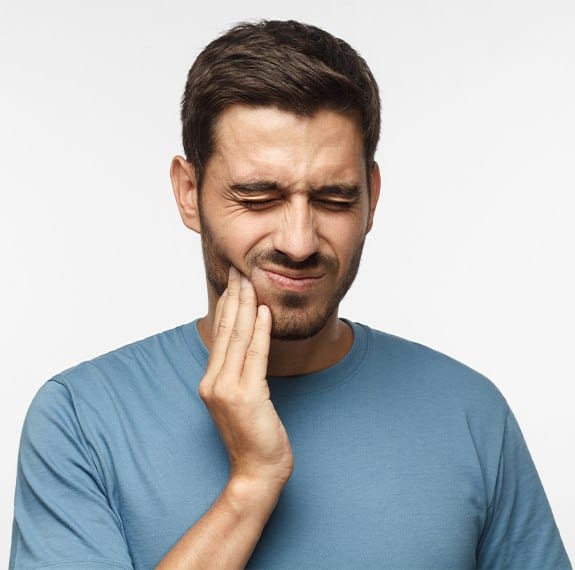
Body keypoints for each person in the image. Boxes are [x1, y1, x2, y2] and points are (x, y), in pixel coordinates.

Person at [10, 19, 571, 570]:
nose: (299, 242)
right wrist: (251, 486)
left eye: (334, 198)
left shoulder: (471, 413)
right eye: (257, 198)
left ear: (372, 197)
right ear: (188, 193)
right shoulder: (80, 420)